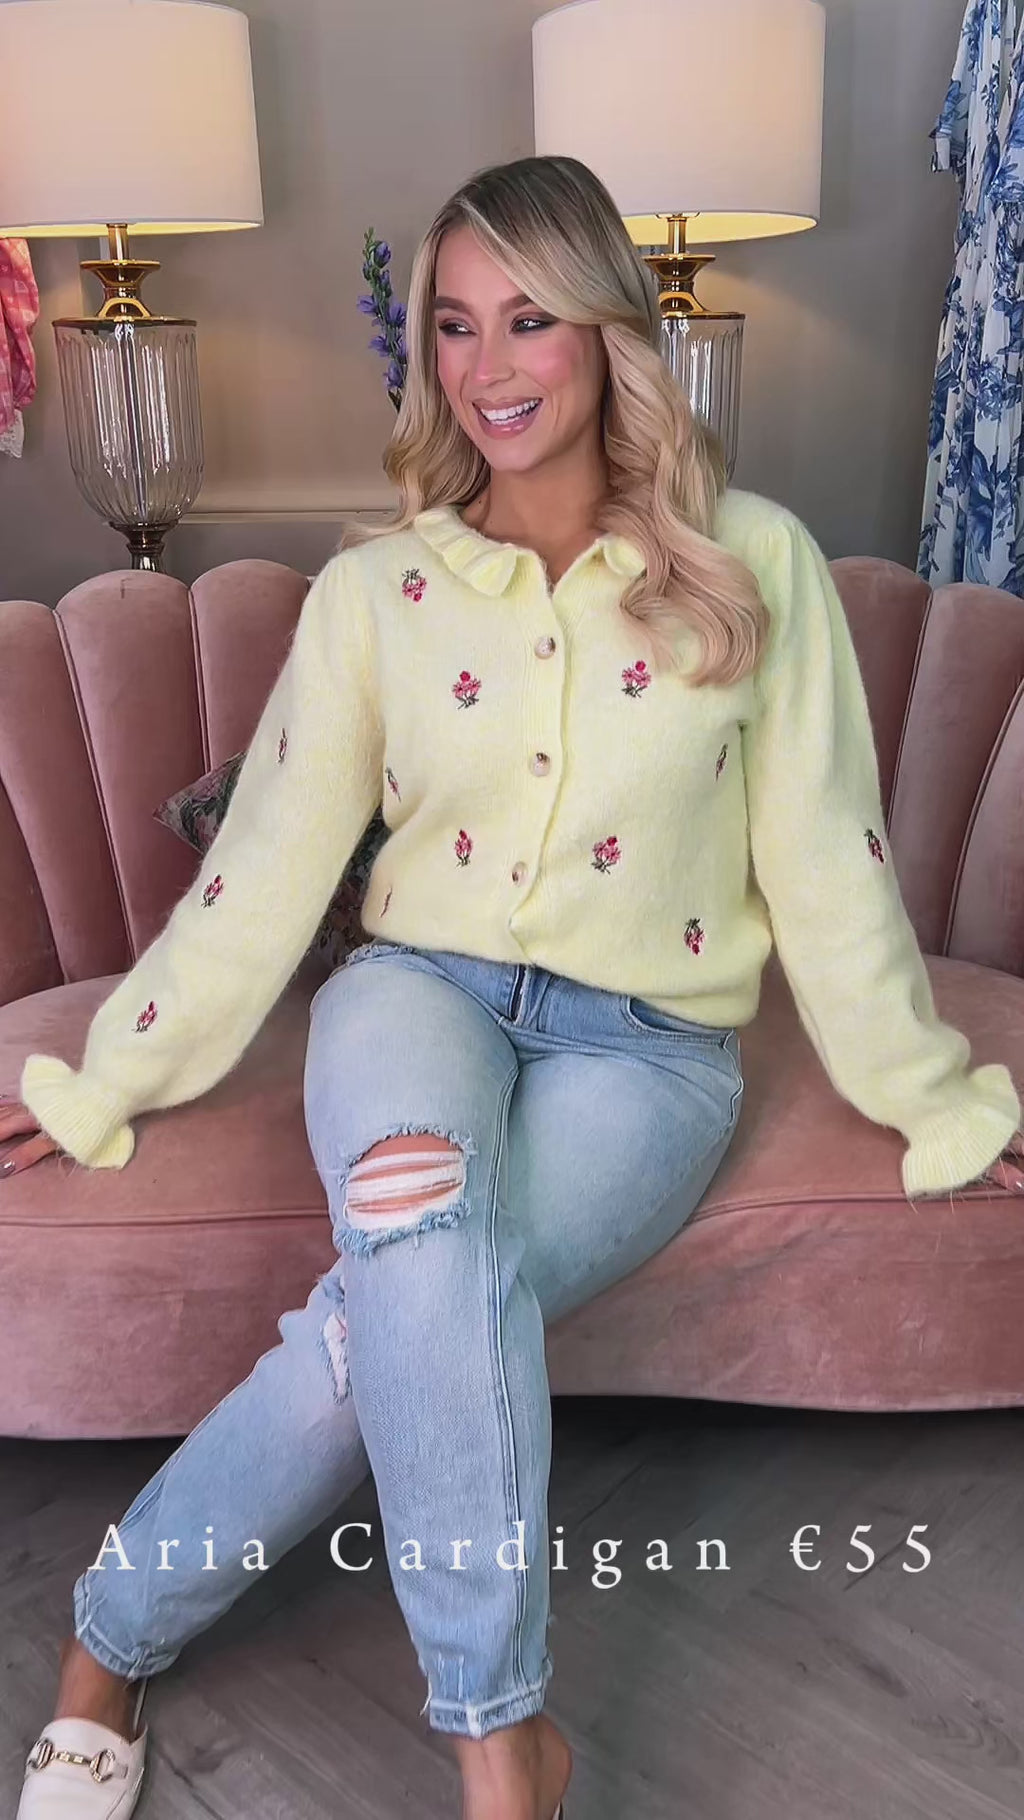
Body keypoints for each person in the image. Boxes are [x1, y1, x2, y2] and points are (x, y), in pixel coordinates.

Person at [4, 152, 1024, 1820]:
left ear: (609, 331)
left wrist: (936, 1099)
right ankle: (505, 1753)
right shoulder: (377, 594)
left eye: (531, 318)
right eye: (455, 322)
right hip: (416, 992)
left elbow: (831, 864)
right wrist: (106, 1075)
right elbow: (262, 867)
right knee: (419, 1227)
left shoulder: (751, 565)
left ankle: (107, 1640)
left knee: (393, 1314)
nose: (488, 366)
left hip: (653, 1051)